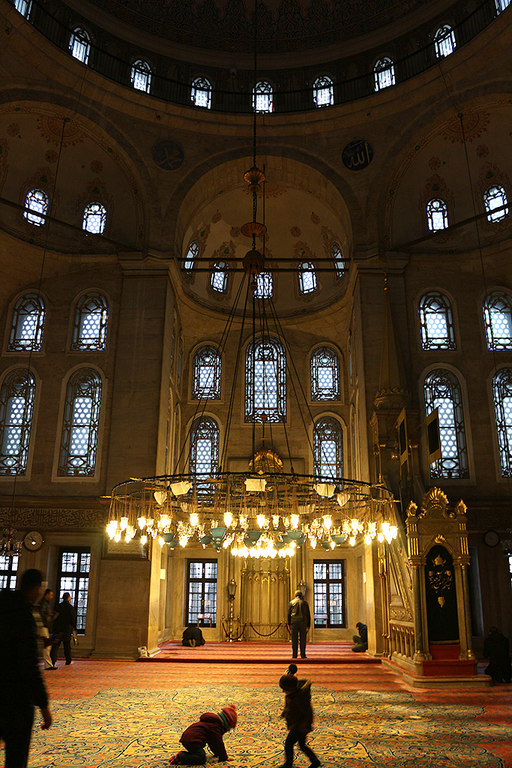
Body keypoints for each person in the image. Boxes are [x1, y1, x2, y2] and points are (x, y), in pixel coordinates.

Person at [0, 568, 53, 768]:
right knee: (16, 757)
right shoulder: (24, 616)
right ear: (37, 588)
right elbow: (28, 665)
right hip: (16, 699)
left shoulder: (4, 607)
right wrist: (43, 705)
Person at [169, 703, 237, 764]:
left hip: (189, 738)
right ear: (226, 724)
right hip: (193, 741)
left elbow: (212, 743)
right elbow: (218, 743)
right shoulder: (215, 727)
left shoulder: (212, 722)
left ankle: (183, 755)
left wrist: (217, 754)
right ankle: (180, 757)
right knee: (201, 759)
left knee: (199, 753)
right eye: (229, 728)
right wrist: (224, 757)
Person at [278, 673, 320, 768]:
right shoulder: (293, 695)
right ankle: (315, 761)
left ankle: (288, 764)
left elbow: (307, 713)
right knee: (302, 745)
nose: (283, 691)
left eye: (285, 689)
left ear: (291, 688)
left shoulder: (299, 698)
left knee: (288, 744)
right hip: (299, 725)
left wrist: (304, 727)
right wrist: (285, 713)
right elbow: (290, 706)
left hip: (300, 727)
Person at [50, 591, 76, 667]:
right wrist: (74, 627)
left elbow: (54, 617)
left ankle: (52, 661)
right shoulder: (70, 608)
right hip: (66, 629)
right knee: (67, 646)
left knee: (55, 646)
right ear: (68, 598)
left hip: (57, 629)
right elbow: (73, 619)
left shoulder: (58, 606)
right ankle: (68, 661)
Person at [287, 590, 311, 659]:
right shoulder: (305, 603)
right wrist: (308, 625)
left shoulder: (291, 602)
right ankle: (303, 655)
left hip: (294, 622)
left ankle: (294, 655)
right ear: (301, 596)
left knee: (294, 640)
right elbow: (308, 615)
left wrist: (289, 624)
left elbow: (289, 614)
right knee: (303, 639)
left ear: (295, 596)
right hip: (303, 623)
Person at [38, 588, 56, 670]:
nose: (52, 597)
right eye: (51, 595)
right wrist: (50, 617)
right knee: (47, 646)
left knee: (47, 646)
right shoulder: (43, 603)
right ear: (47, 594)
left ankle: (49, 664)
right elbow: (43, 615)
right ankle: (48, 665)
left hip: (46, 627)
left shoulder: (46, 603)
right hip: (44, 627)